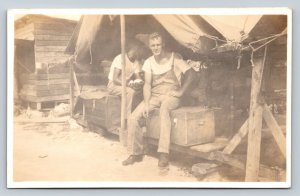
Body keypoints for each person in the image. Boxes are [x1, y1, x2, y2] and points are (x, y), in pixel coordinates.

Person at [122, 32, 197, 167]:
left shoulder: (175, 58)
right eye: (153, 46)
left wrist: (180, 92)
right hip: (155, 96)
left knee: (164, 110)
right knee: (133, 117)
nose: (156, 48)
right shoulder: (149, 62)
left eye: (158, 45)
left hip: (171, 96)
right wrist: (146, 104)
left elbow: (191, 74)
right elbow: (147, 84)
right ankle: (135, 153)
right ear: (150, 47)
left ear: (163, 45)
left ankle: (163, 153)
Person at [107, 40, 144, 119]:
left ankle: (138, 117)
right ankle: (127, 118)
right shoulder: (120, 58)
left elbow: (138, 78)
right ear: (133, 50)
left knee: (140, 91)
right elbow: (115, 79)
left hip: (124, 85)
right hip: (113, 85)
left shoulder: (136, 62)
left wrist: (139, 83)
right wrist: (128, 85)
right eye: (138, 50)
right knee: (130, 91)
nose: (140, 53)